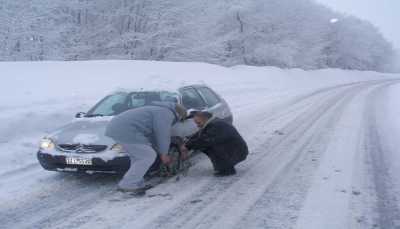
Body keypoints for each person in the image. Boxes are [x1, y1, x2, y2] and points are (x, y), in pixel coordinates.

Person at [105, 102, 186, 196]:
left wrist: (161, 151)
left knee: (138, 157)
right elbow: (163, 135)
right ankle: (128, 184)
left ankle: (137, 182)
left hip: (118, 127)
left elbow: (153, 136)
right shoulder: (166, 113)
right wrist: (164, 154)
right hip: (126, 130)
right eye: (180, 119)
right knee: (148, 156)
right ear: (179, 114)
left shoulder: (158, 109)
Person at [181, 111, 248, 176]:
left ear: (204, 119)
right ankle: (224, 166)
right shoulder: (213, 122)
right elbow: (199, 134)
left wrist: (187, 146)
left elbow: (203, 140)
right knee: (207, 144)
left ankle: (227, 169)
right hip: (234, 150)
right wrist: (188, 142)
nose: (197, 125)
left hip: (238, 151)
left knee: (208, 145)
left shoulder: (215, 125)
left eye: (198, 123)